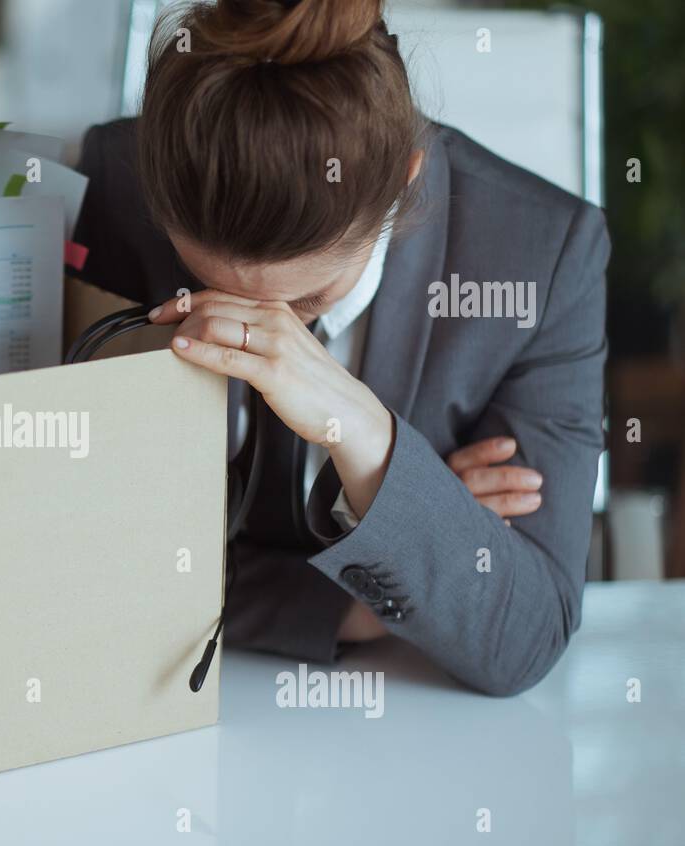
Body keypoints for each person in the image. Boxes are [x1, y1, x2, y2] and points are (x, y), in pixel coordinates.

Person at [72, 0, 608, 695]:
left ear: (401, 186)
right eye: (213, 287)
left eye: (307, 301)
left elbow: (526, 632)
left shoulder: (544, 257)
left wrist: (368, 439)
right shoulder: (112, 182)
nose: (271, 337)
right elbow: (84, 557)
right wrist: (382, 580)